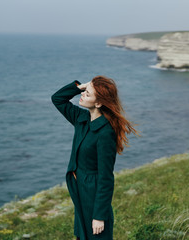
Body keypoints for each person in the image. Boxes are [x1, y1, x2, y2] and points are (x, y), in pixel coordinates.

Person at [51, 75, 137, 239]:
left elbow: (106, 177)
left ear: (98, 103)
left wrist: (99, 216)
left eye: (87, 94)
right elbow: (57, 99)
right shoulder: (81, 118)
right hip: (80, 190)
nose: (83, 96)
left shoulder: (105, 133)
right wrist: (80, 87)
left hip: (93, 192)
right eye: (85, 92)